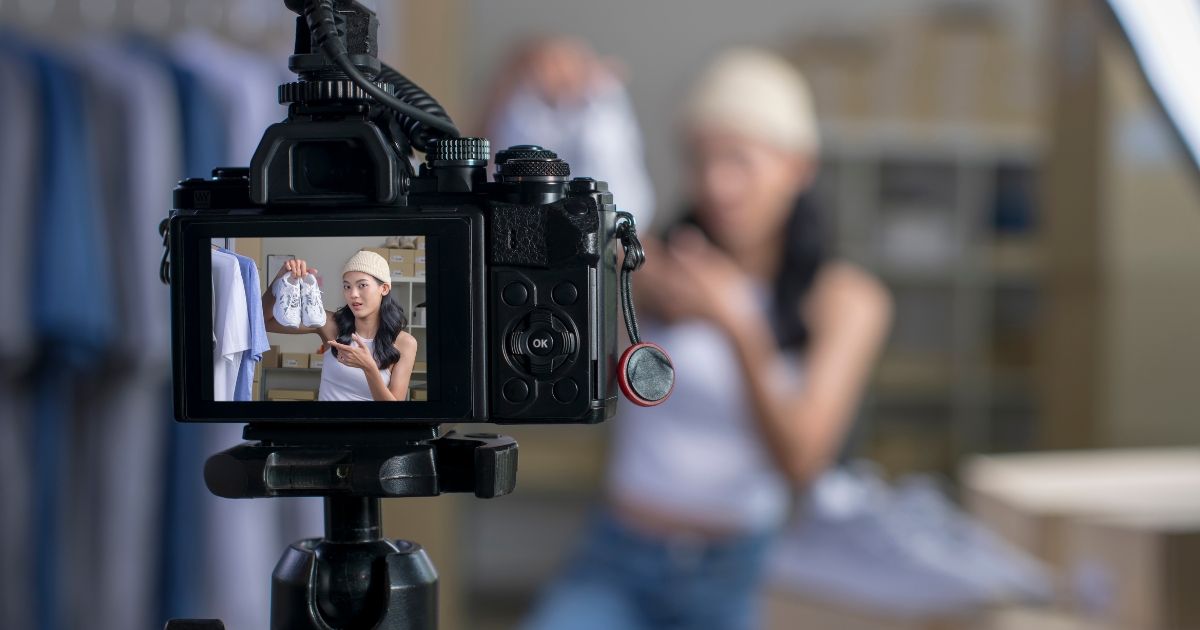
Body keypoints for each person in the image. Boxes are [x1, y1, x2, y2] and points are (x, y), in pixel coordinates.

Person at [516, 48, 893, 630]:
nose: (717, 184)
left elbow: (802, 461)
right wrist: (529, 72)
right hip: (618, 553)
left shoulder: (846, 299)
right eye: (700, 160)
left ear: (799, 166)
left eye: (740, 161)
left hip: (741, 569)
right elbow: (548, 220)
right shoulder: (657, 272)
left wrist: (736, 322)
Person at [262, 250, 417, 401]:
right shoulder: (331, 324)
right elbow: (263, 322)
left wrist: (369, 368)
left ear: (384, 288)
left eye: (362, 285)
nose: (353, 294)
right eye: (347, 286)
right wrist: (279, 279)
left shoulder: (405, 343)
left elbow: (394, 410)